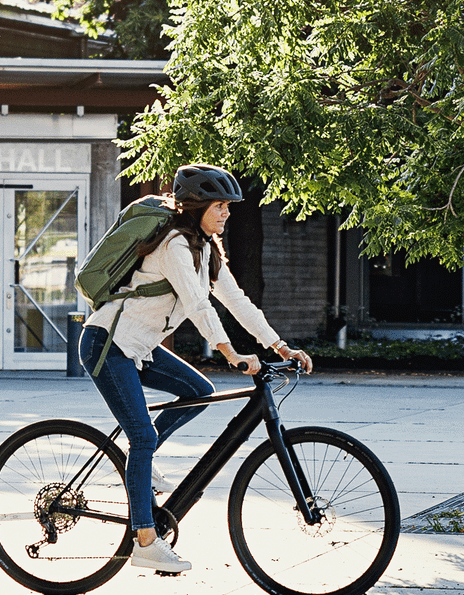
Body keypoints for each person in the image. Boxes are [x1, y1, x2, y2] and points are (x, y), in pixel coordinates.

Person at [78, 164, 313, 574]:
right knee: (144, 437)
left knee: (198, 393)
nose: (226, 213)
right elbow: (197, 305)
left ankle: (143, 464)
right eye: (220, 206)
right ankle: (145, 542)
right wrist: (229, 352)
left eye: (228, 207)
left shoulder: (206, 250)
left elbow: (236, 301)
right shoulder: (174, 245)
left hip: (141, 347)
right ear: (196, 206)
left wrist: (278, 344)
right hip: (108, 344)